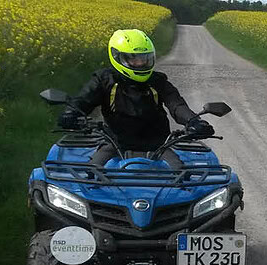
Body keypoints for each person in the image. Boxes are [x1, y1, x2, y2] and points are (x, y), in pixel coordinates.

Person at [58, 29, 214, 168]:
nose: (140, 63)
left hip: (158, 144)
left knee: (181, 177)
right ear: (116, 57)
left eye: (144, 59)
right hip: (115, 143)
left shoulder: (157, 81)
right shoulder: (104, 80)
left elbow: (176, 105)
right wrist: (71, 113)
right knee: (90, 175)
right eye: (133, 59)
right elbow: (83, 100)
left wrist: (194, 121)